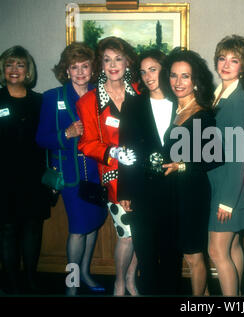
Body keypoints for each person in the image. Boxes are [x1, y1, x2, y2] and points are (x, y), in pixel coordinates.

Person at [36, 42, 107, 296]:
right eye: (74, 67)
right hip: (70, 174)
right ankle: (72, 281)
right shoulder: (52, 97)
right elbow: (41, 139)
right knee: (78, 229)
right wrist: (66, 133)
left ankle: (86, 273)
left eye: (84, 66)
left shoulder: (101, 94)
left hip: (97, 171)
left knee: (94, 224)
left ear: (92, 69)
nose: (79, 72)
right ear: (66, 70)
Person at [77, 36, 140, 296]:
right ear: (100, 64)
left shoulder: (140, 90)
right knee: (126, 235)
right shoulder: (88, 101)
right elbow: (86, 144)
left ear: (127, 62)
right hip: (115, 176)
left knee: (140, 234)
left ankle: (131, 280)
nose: (113, 64)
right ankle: (119, 282)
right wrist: (111, 151)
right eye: (107, 59)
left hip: (142, 175)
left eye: (118, 58)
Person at [117, 49, 181, 295]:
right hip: (142, 192)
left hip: (175, 191)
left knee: (171, 256)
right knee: (146, 256)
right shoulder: (133, 104)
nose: (146, 76)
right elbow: (126, 149)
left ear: (164, 69)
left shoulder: (181, 101)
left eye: (152, 69)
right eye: (142, 72)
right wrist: (125, 190)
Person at [161, 48, 217, 296]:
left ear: (196, 80)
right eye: (174, 75)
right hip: (174, 191)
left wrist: (181, 165)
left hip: (192, 192)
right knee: (187, 253)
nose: (178, 82)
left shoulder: (203, 114)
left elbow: (214, 157)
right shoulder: (174, 109)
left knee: (194, 256)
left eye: (185, 76)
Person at [0, 46, 51, 294]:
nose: (14, 70)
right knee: (8, 229)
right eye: (9, 64)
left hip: (34, 177)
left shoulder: (39, 101)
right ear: (3, 68)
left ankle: (31, 278)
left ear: (27, 70)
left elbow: (49, 139)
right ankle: (11, 282)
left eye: (20, 65)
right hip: (4, 177)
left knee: (32, 228)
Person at [207, 35, 244, 296]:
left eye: (233, 60)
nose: (226, 64)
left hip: (228, 190)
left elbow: (239, 157)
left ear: (242, 67)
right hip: (221, 185)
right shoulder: (219, 95)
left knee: (217, 251)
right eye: (222, 58)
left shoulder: (238, 102)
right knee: (233, 246)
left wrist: (226, 200)